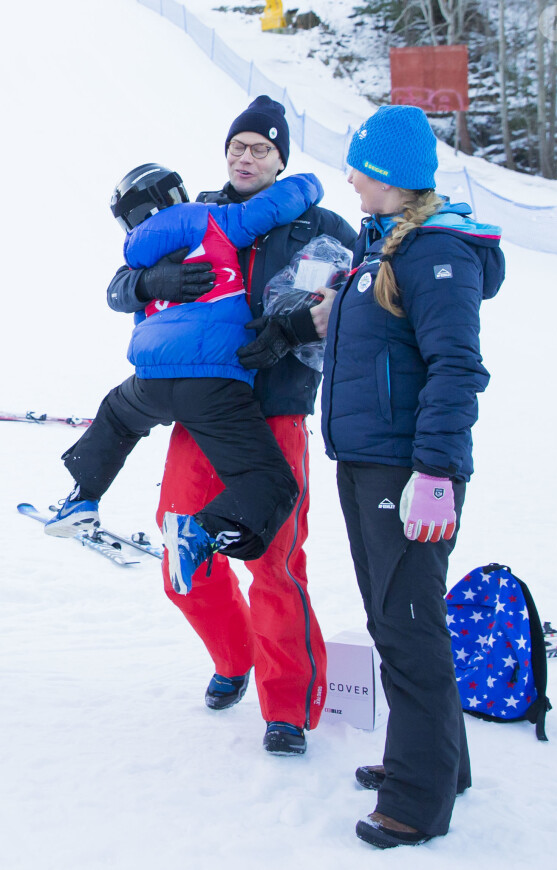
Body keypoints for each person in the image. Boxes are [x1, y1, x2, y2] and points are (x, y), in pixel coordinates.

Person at [106, 96, 358, 754]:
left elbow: (361, 299)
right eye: (238, 147)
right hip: (202, 415)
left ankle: (288, 707)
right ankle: (234, 655)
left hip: (276, 414)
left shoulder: (319, 225)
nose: (246, 158)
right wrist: (149, 283)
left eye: (261, 149)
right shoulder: (200, 216)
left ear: (281, 159)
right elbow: (118, 283)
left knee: (274, 562)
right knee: (183, 556)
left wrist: (296, 328)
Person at [321, 105, 505, 847]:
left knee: (409, 625)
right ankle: (440, 761)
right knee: (396, 619)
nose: (350, 178)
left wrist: (435, 472)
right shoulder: (382, 246)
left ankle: (416, 800)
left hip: (407, 471)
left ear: (390, 175)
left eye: (359, 166)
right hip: (368, 462)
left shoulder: (437, 253)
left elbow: (456, 368)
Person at [46, 162, 325, 593]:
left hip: (150, 380)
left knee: (116, 416)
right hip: (212, 382)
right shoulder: (213, 218)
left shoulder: (136, 249)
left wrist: (148, 281)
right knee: (270, 481)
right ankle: (203, 530)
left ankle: (82, 497)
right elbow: (273, 206)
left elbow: (119, 291)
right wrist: (309, 183)